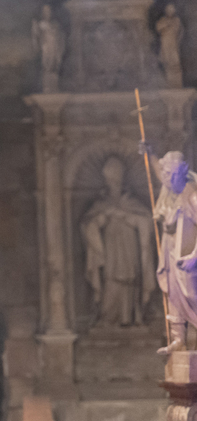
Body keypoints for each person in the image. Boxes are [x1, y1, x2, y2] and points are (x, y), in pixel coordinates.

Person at [80, 157, 156, 328]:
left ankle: (131, 316)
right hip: (110, 248)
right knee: (111, 279)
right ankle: (108, 317)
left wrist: (126, 216)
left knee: (131, 278)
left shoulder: (132, 203)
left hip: (130, 247)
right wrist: (103, 217)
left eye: (116, 178)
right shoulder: (102, 204)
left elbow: (147, 223)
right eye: (110, 179)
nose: (113, 182)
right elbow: (88, 225)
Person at [151, 150, 197, 353]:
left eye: (174, 175)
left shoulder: (192, 197)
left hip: (188, 258)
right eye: (167, 175)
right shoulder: (170, 197)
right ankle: (178, 339)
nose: (169, 180)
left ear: (182, 174)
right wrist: (150, 153)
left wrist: (193, 257)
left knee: (191, 295)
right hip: (170, 253)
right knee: (173, 294)